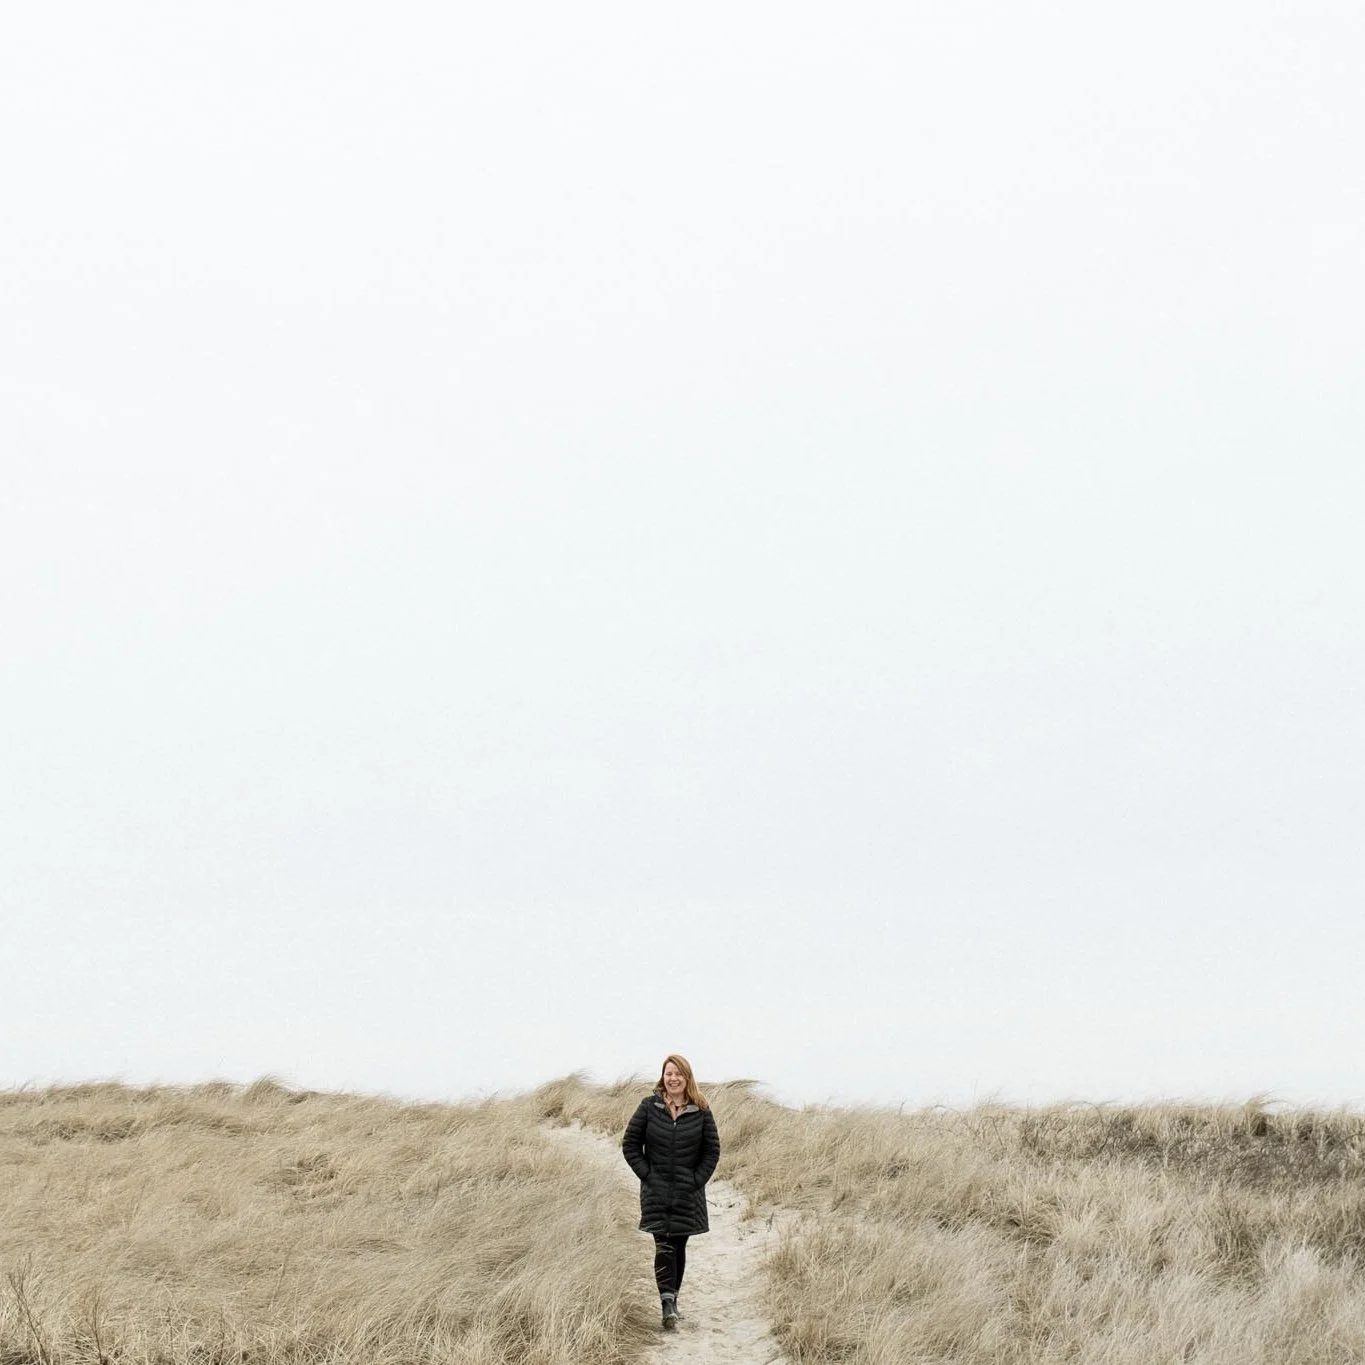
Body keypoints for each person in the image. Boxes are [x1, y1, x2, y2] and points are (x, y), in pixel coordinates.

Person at [621, 1054, 721, 1330]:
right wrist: (647, 1174)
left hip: (688, 1193)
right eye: (669, 1073)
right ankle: (667, 1304)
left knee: (678, 1245)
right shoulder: (649, 1107)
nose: (673, 1078)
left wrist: (696, 1179)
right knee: (663, 1244)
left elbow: (712, 1150)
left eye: (678, 1074)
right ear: (662, 1077)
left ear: (687, 1078)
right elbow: (630, 1144)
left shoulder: (701, 1109)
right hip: (656, 1190)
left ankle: (673, 1300)